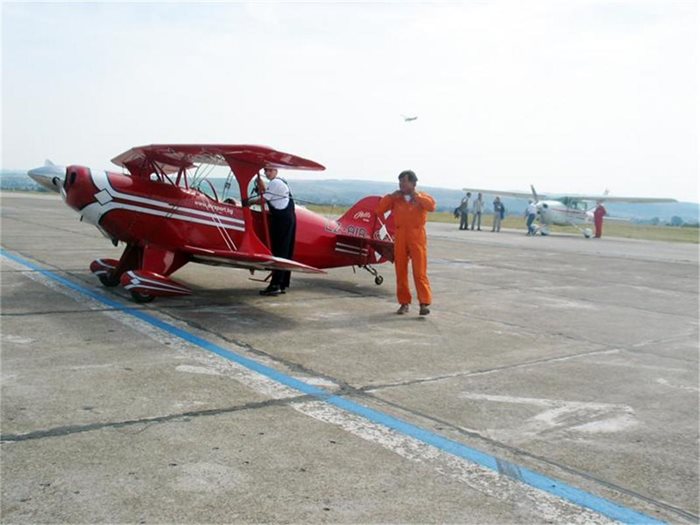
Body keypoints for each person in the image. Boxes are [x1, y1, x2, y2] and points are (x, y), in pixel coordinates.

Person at [377, 170, 436, 316]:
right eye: (400, 182)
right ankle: (404, 303)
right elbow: (379, 210)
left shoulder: (422, 197)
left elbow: (431, 207)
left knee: (419, 271)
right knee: (401, 271)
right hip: (401, 237)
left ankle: (424, 302)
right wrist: (391, 196)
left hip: (417, 238)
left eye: (405, 181)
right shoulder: (396, 199)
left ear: (413, 183)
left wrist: (418, 197)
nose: (402, 185)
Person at [247, 167, 296, 296]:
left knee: (279, 251)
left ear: (276, 171)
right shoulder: (280, 182)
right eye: (265, 171)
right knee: (284, 251)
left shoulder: (275, 183)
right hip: (286, 218)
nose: (267, 173)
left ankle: (275, 285)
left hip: (281, 220)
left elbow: (263, 199)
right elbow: (267, 194)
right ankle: (281, 283)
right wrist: (260, 184)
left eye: (269, 170)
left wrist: (248, 202)